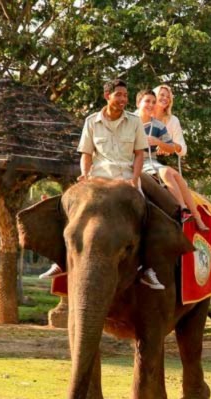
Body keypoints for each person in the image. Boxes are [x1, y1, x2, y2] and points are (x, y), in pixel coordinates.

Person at [40, 79, 164, 290]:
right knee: (65, 209)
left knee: (148, 215)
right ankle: (61, 260)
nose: (123, 99)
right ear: (107, 96)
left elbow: (139, 154)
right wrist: (85, 175)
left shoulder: (134, 122)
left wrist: (135, 179)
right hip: (97, 178)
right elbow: (86, 154)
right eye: (119, 95)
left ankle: (148, 268)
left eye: (125, 95)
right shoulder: (91, 121)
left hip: (125, 177)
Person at [135, 89, 208, 231]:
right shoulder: (130, 121)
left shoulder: (158, 125)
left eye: (153, 102)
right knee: (167, 172)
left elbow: (171, 147)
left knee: (175, 175)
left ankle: (195, 216)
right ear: (138, 103)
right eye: (147, 101)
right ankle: (183, 209)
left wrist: (157, 142)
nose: (151, 105)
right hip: (134, 160)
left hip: (151, 161)